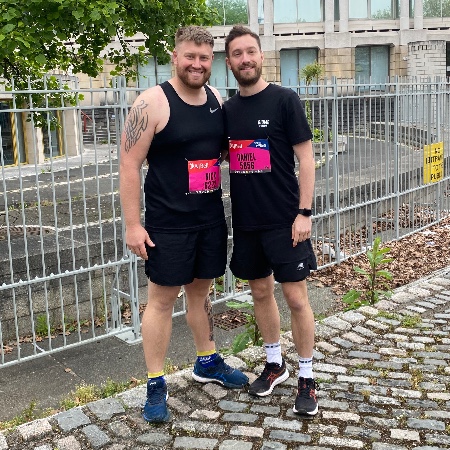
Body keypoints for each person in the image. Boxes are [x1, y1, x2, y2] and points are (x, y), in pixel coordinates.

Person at [119, 25, 248, 424]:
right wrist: (133, 225)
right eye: (189, 56)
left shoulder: (216, 99)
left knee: (201, 293)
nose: (196, 64)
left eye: (204, 58)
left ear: (212, 61)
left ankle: (207, 360)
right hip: (168, 224)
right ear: (175, 57)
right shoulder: (151, 103)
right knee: (161, 300)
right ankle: (155, 383)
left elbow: (219, 151)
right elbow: (128, 164)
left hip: (209, 218)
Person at [223, 25, 319, 416]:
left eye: (250, 51)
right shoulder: (228, 111)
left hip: (285, 220)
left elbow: (307, 159)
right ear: (228, 62)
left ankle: (307, 377)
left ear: (262, 56)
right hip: (247, 223)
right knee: (260, 293)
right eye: (237, 54)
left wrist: (304, 212)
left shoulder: (284, 100)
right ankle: (275, 363)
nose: (245, 59)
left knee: (296, 298)